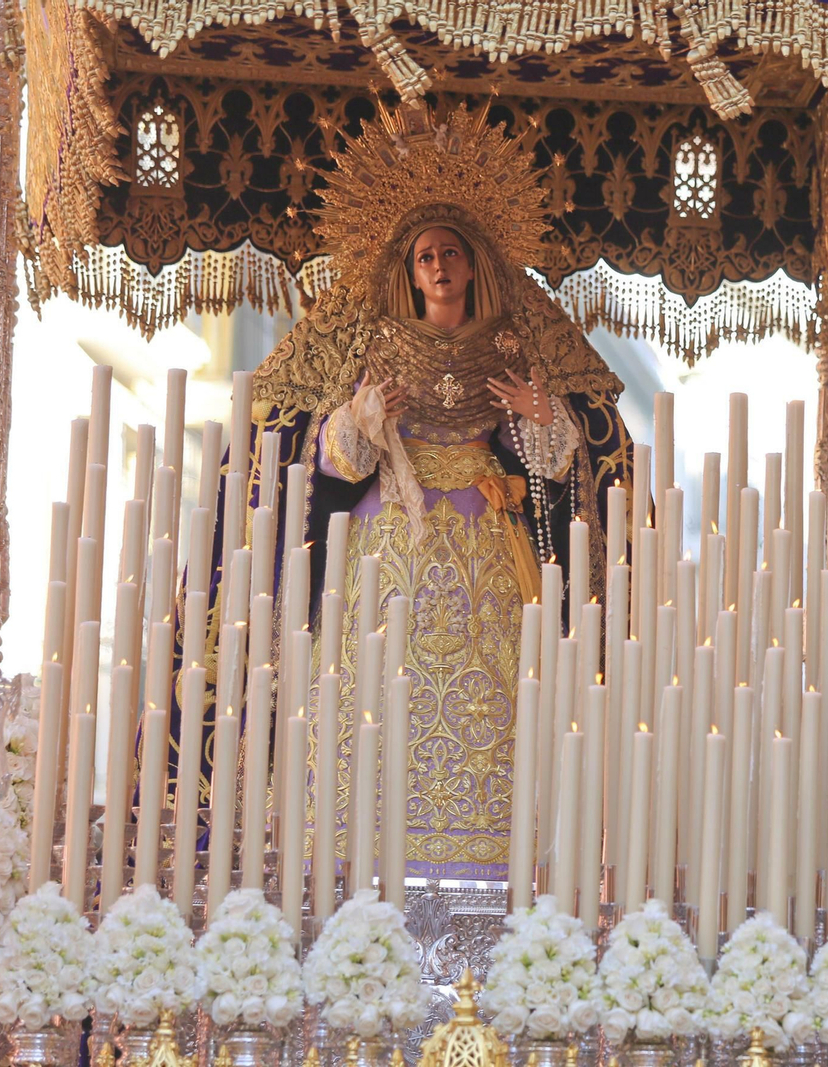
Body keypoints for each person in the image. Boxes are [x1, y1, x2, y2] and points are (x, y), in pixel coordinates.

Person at [186, 105, 633, 881]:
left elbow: (554, 463)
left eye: (451, 253)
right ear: (407, 267)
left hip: (488, 544)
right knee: (370, 688)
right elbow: (322, 456)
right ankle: (359, 853)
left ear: (472, 263)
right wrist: (361, 418)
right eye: (425, 255)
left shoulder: (508, 340)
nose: (438, 267)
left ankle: (491, 860)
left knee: (494, 702)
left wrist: (541, 414)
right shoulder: (374, 337)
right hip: (387, 537)